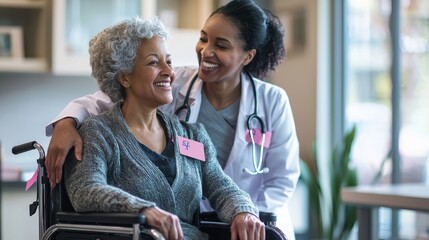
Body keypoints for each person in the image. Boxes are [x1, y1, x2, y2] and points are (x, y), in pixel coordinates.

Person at [46, 1, 300, 239]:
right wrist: (66, 122)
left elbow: (223, 186)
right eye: (154, 62)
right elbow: (85, 190)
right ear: (124, 77)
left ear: (247, 56)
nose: (170, 72)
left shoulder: (192, 135)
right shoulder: (100, 133)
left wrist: (243, 211)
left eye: (168, 61)